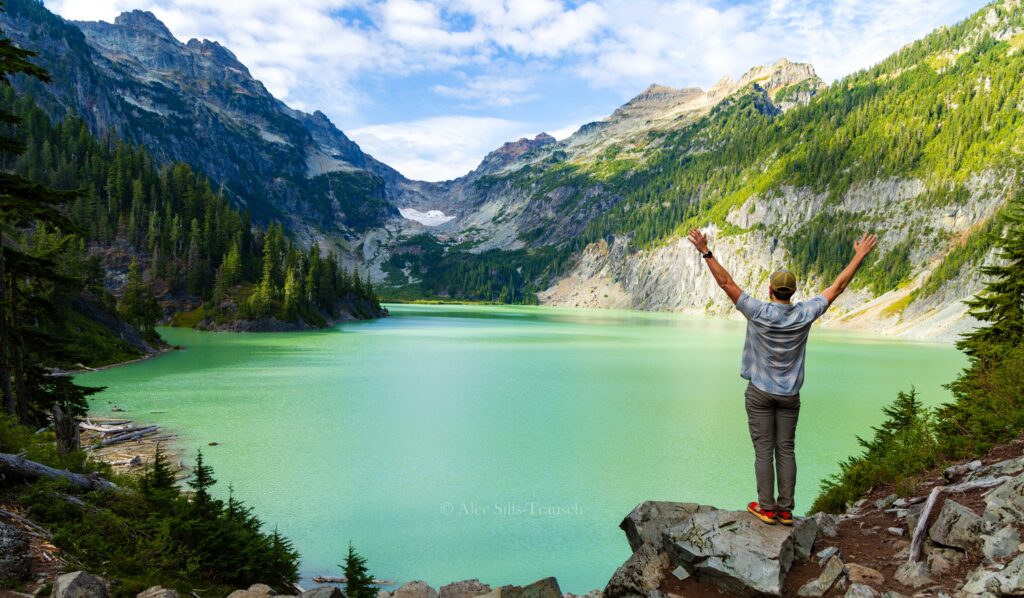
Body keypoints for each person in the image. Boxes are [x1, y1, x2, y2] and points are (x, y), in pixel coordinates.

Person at [687, 227, 877, 525]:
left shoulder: (758, 311)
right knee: (786, 449)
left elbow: (725, 282)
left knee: (764, 450)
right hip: (789, 395)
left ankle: (766, 507)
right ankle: (785, 510)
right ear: (794, 292)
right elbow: (838, 287)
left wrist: (705, 251)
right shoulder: (805, 313)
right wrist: (860, 256)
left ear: (770, 290)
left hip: (760, 392)